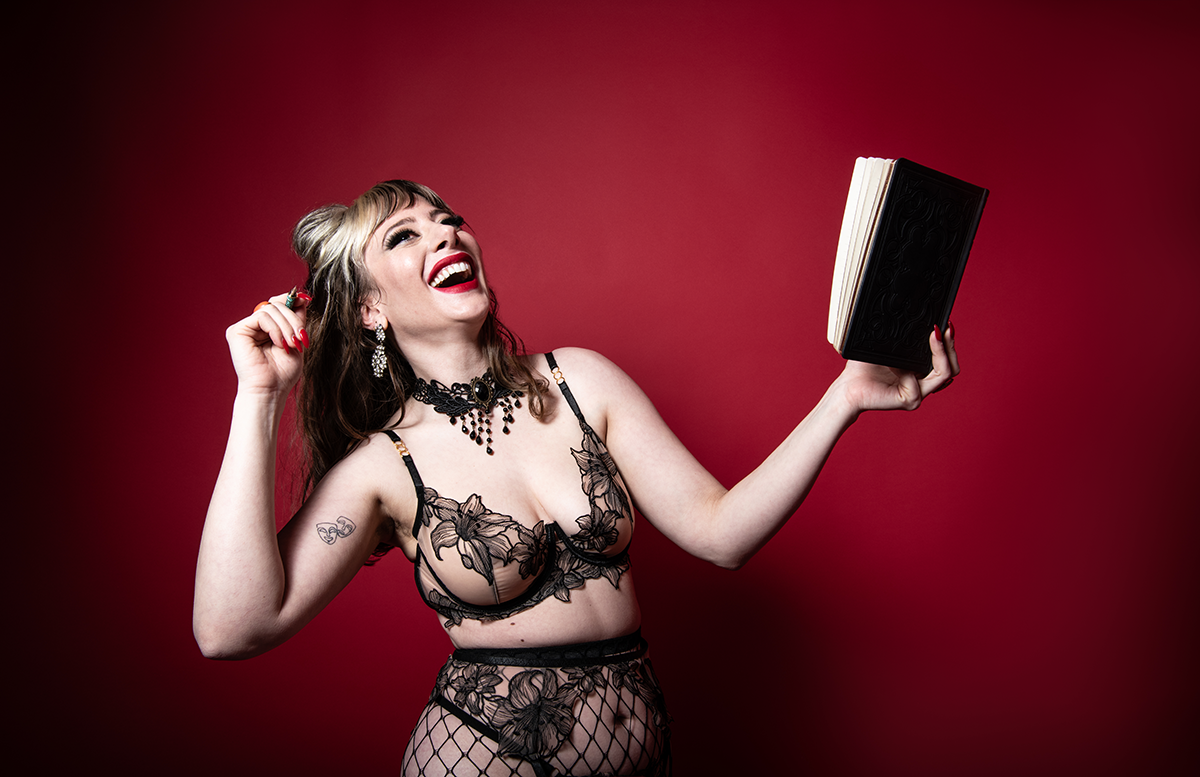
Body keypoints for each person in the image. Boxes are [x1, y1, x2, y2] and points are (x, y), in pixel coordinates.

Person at [193, 179, 960, 776]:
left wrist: (845, 397)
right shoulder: (382, 466)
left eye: (448, 219)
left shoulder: (580, 382)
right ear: (369, 310)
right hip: (482, 754)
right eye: (405, 234)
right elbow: (230, 629)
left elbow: (722, 533)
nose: (446, 233)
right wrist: (258, 397)